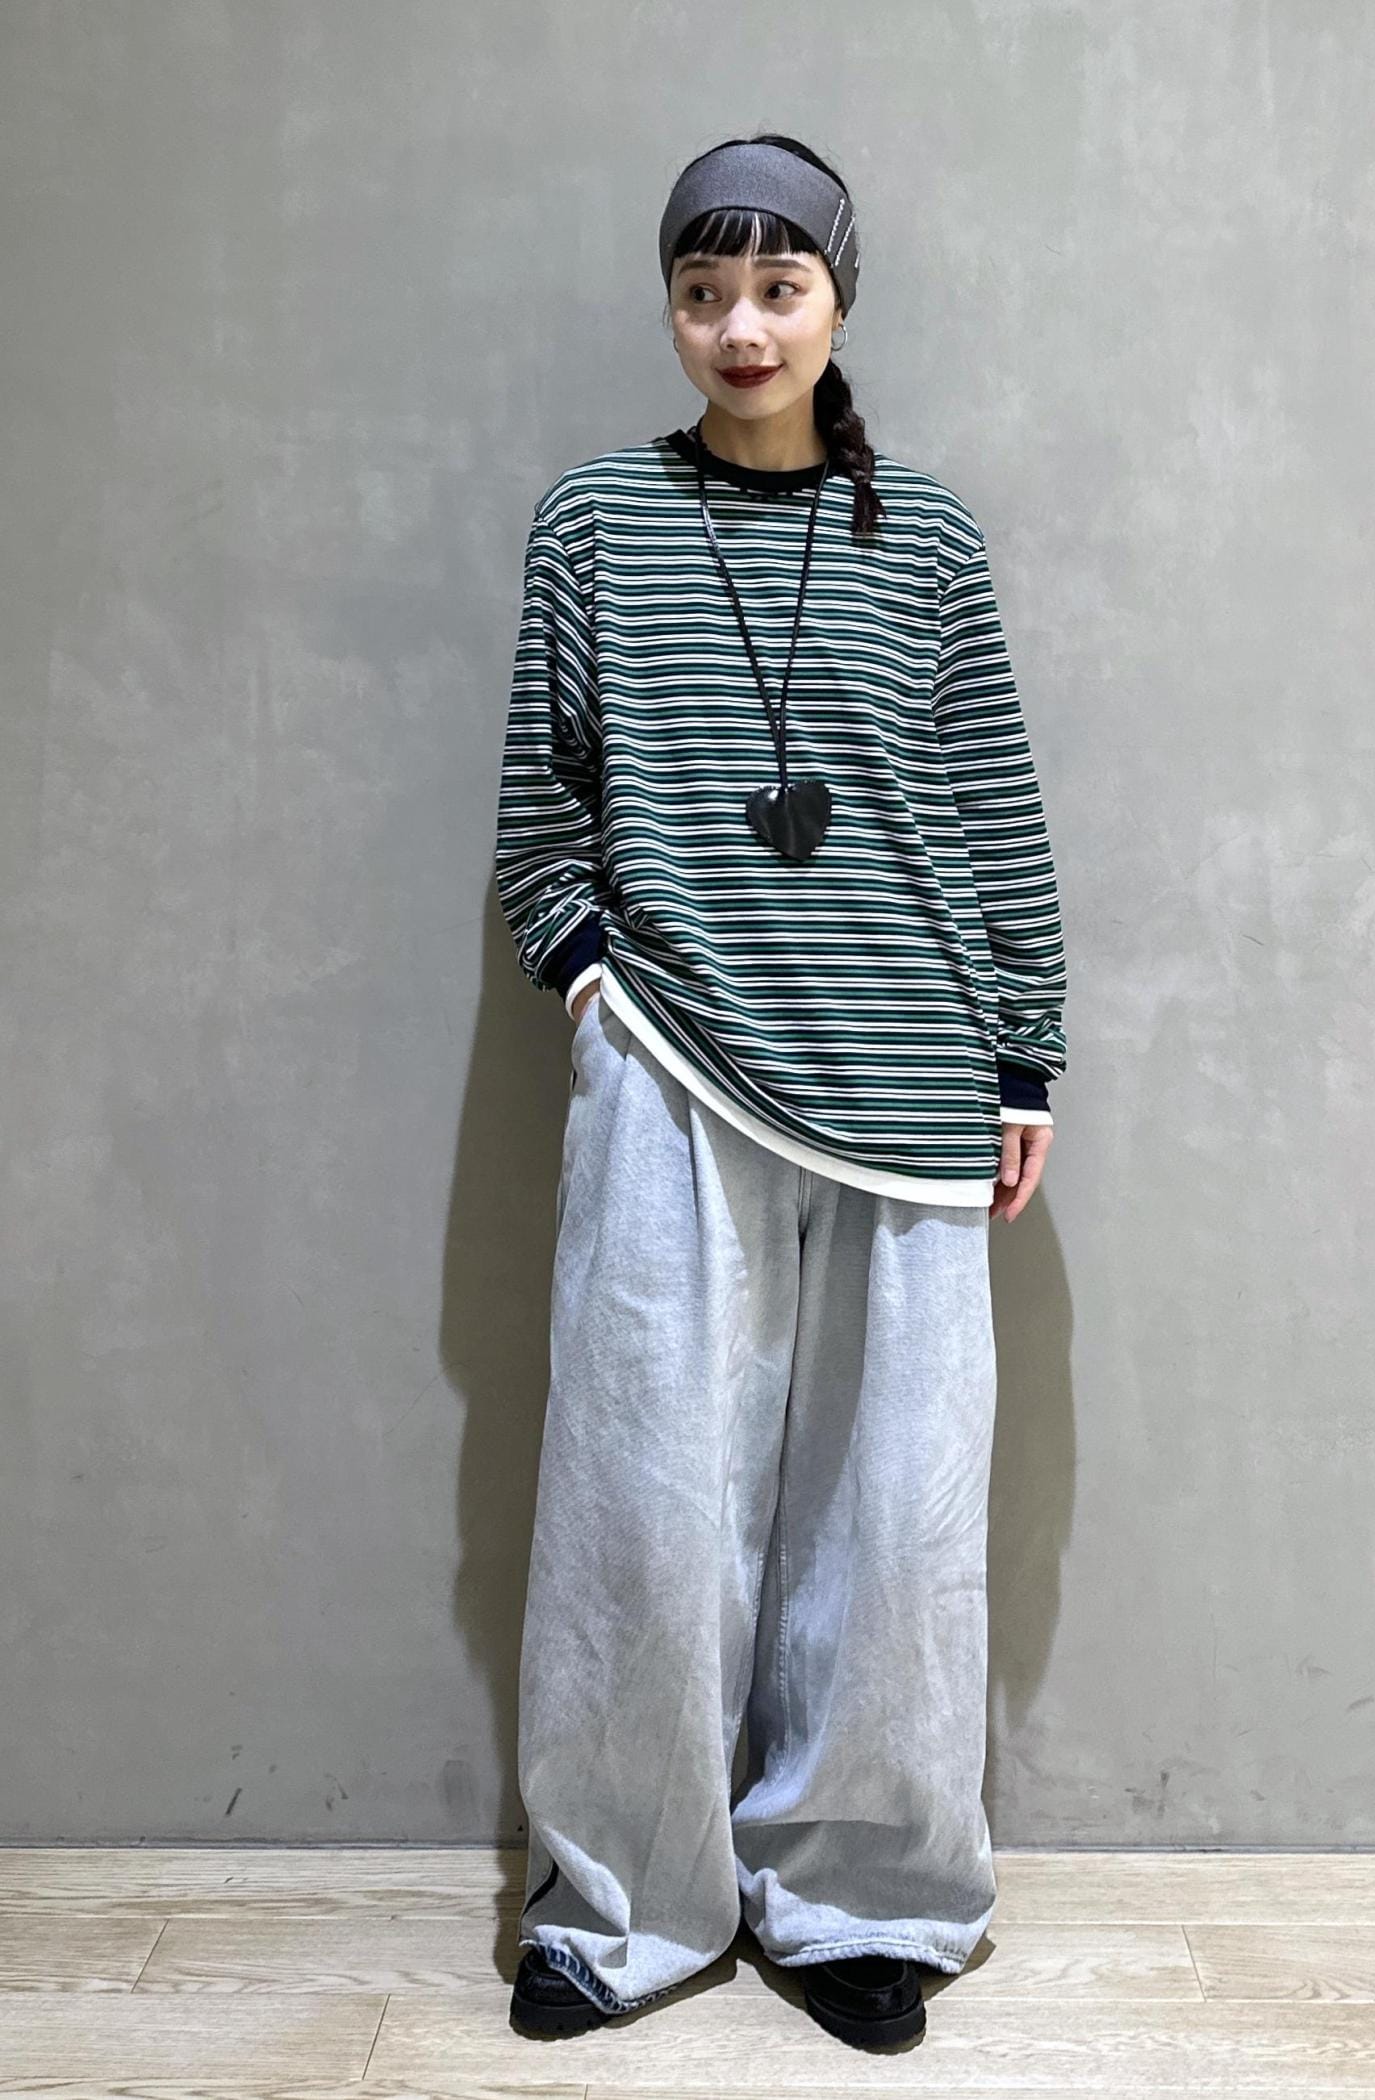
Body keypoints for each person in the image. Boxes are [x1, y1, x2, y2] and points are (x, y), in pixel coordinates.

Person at [493, 132, 1068, 2052]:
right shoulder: (595, 521)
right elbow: (540, 817)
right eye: (701, 290)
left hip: (912, 1083)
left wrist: (1024, 1045)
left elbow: (989, 801)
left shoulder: (931, 538)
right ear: (670, 306)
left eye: (777, 286)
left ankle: (863, 1901)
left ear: (837, 298)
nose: (739, 326)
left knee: (894, 1527)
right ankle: (625, 1905)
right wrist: (594, 979)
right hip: (672, 1063)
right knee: (640, 1505)